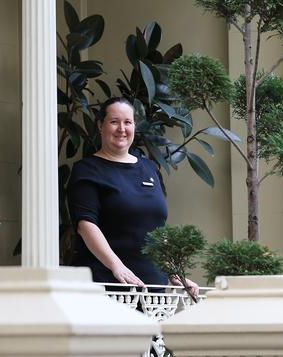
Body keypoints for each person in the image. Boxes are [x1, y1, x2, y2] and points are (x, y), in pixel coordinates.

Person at [68, 96, 199, 298]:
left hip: (152, 291)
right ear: (100, 125)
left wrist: (176, 274)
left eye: (127, 122)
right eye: (114, 122)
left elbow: (157, 230)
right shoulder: (87, 170)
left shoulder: (149, 168)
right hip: (108, 285)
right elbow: (86, 225)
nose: (122, 128)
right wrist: (117, 266)